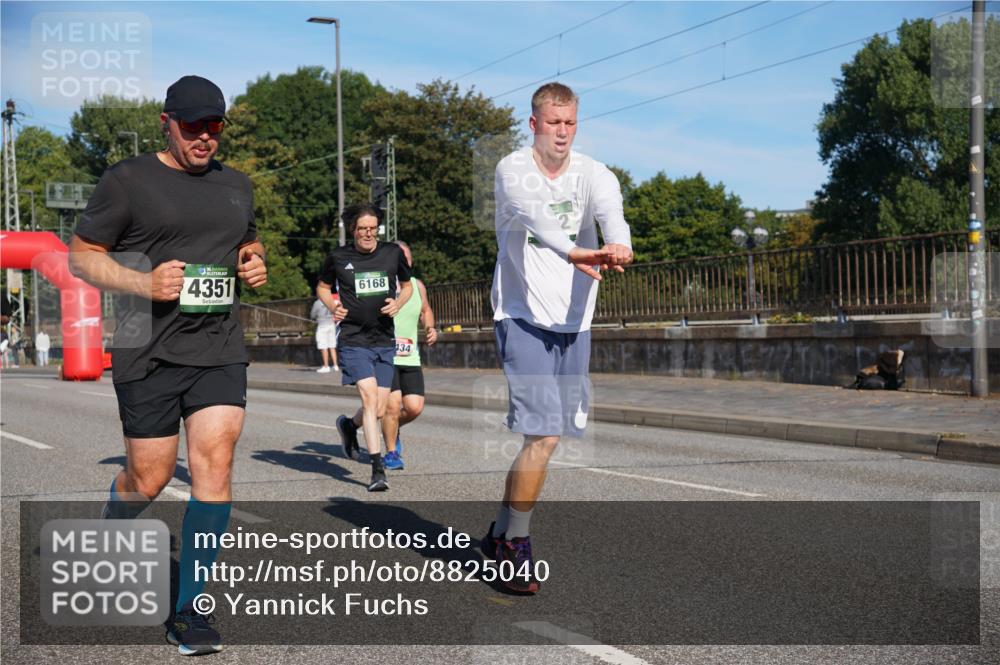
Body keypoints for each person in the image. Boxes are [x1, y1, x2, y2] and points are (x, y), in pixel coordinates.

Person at [68, 75, 267, 655]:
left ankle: (189, 611)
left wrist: (252, 263)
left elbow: (244, 243)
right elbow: (82, 258)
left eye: (215, 126)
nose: (205, 137)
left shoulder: (237, 185)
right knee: (149, 478)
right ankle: (113, 518)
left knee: (215, 462)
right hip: (146, 344)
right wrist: (142, 282)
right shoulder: (128, 180)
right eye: (193, 126)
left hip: (217, 344)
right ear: (167, 121)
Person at [482, 82, 633, 594]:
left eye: (569, 122)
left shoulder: (594, 172)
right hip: (522, 315)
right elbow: (537, 218)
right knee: (543, 435)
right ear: (534, 124)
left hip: (575, 322)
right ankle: (516, 546)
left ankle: (500, 534)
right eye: (553, 122)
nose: (562, 132)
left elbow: (611, 212)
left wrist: (618, 244)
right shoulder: (512, 168)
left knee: (545, 439)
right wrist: (573, 252)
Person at [315, 204, 411, 492]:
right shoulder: (338, 257)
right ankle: (377, 469)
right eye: (362, 229)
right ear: (353, 230)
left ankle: (348, 426)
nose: (368, 234)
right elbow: (321, 287)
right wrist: (333, 305)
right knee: (371, 401)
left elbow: (406, 286)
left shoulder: (392, 253)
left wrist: (398, 303)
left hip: (383, 339)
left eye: (373, 228)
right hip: (354, 340)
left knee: (380, 409)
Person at [346, 240, 437, 471]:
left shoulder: (417, 286)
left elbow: (425, 310)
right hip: (383, 353)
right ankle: (391, 453)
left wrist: (430, 327)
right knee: (390, 407)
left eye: (405, 257)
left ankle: (354, 425)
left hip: (410, 357)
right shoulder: (377, 283)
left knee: (414, 407)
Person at [310, 295, 339, 373]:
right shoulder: (331, 302)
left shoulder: (317, 303)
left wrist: (315, 318)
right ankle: (335, 365)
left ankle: (326, 366)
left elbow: (312, 314)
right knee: (332, 346)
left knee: (323, 346)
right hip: (331, 324)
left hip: (322, 325)